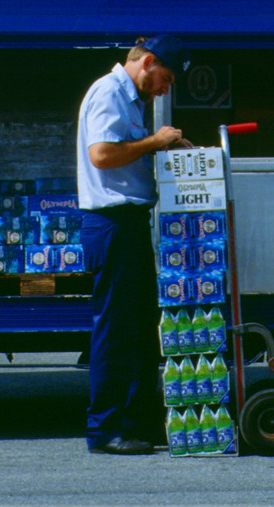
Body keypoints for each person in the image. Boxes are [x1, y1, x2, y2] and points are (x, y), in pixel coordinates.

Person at [76, 34, 192, 455]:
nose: (166, 87)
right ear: (150, 62)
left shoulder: (131, 101)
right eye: (166, 77)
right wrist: (153, 142)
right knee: (115, 329)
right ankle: (104, 430)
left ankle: (138, 422)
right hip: (112, 223)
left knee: (141, 327)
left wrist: (164, 150)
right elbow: (103, 154)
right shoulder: (108, 92)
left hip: (128, 222)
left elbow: (125, 155)